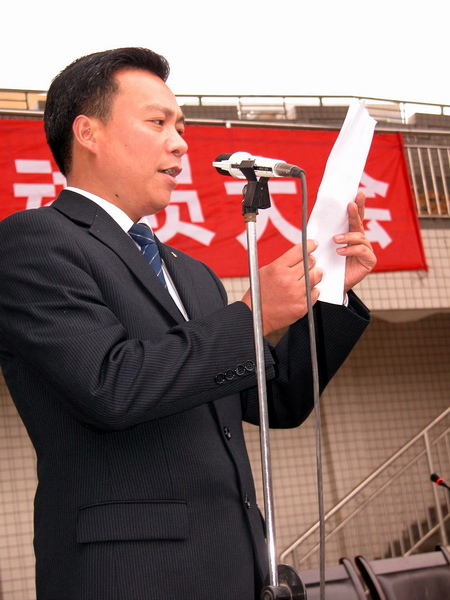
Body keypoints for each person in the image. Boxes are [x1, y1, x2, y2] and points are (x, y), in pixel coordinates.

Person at [0, 47, 376, 600]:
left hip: (237, 567)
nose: (180, 143)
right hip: (130, 576)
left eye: (181, 127)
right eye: (157, 123)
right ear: (88, 132)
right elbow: (109, 387)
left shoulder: (193, 274)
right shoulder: (34, 241)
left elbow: (279, 400)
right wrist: (253, 315)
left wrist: (333, 291)